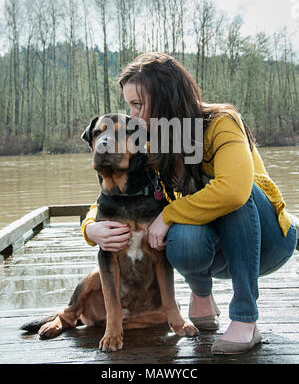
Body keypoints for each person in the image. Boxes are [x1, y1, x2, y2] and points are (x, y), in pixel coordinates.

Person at [82, 52, 298, 354]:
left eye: (138, 104)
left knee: (234, 195)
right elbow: (117, 196)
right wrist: (91, 228)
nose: (132, 115)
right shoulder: (153, 142)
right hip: (219, 253)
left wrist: (169, 213)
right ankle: (201, 294)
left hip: (268, 242)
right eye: (130, 104)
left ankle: (245, 318)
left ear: (166, 96)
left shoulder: (222, 122)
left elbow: (234, 191)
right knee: (181, 238)